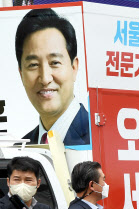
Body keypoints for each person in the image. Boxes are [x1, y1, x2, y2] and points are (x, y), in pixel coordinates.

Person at [16, 8, 90, 146]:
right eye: (33, 65)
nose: (45, 78)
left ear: (74, 67)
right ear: (21, 74)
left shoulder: (100, 139)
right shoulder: (18, 152)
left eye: (55, 63)